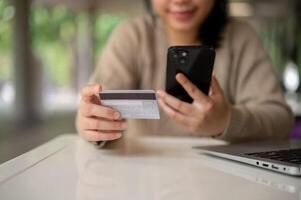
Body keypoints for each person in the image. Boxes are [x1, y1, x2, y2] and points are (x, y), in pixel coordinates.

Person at [76, 0, 293, 144]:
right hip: (143, 176)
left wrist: (226, 121)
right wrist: (91, 123)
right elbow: (97, 108)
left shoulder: (241, 37)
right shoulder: (132, 35)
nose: (180, 0)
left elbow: (281, 120)